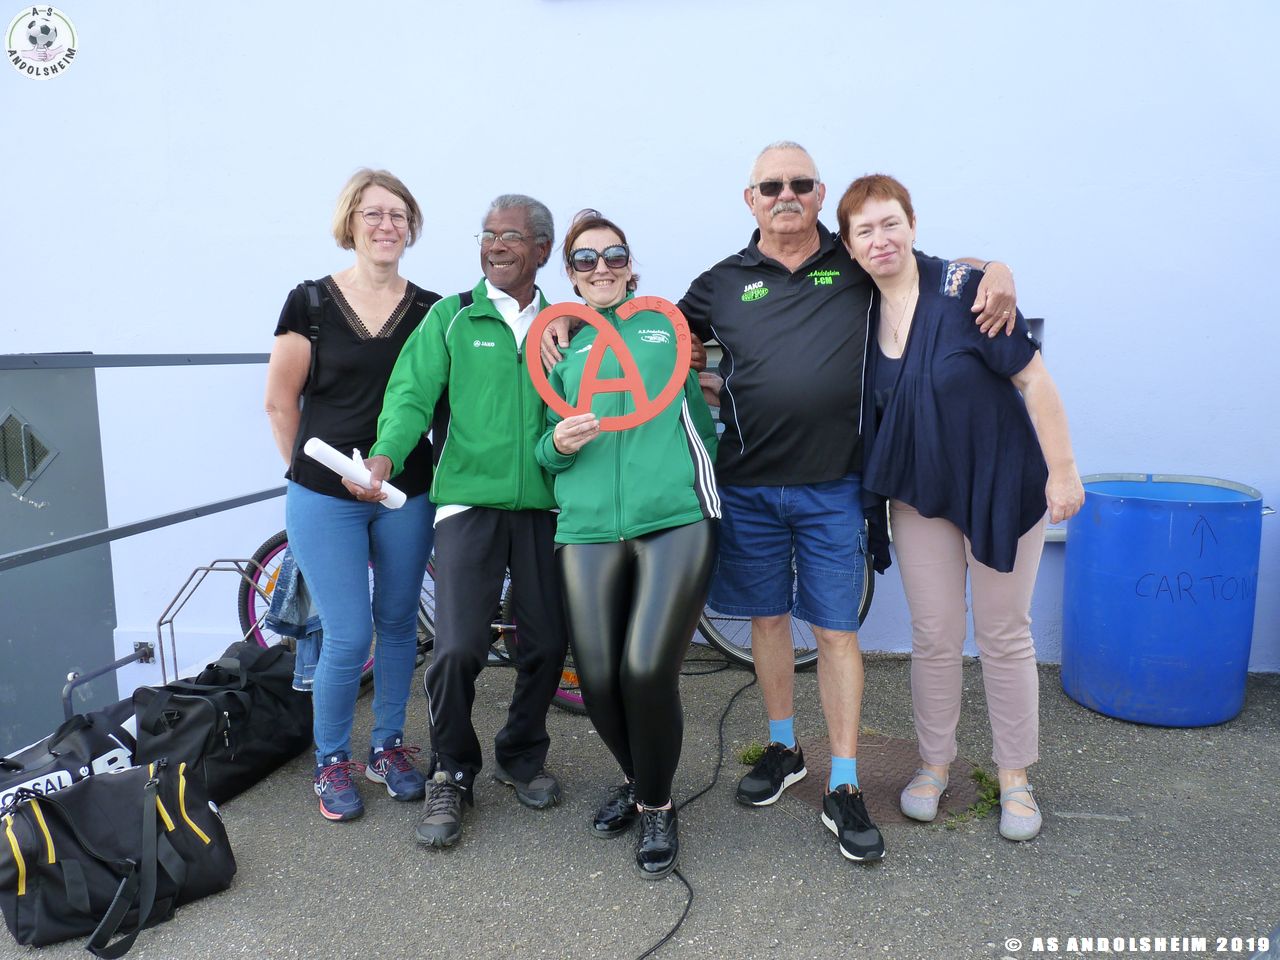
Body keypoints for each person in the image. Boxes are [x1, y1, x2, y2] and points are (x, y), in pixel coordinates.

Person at [544, 141, 1016, 863]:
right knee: (767, 620)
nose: (785, 195)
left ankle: (845, 782)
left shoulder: (854, 260)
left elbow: (935, 270)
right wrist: (572, 323)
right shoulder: (720, 282)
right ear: (751, 199)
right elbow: (645, 331)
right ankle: (783, 748)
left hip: (836, 485)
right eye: (770, 186)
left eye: (799, 183)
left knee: (834, 632)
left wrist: (997, 270)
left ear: (820, 194)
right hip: (749, 484)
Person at [837, 173, 1083, 841]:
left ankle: (1014, 778)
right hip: (921, 494)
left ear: (913, 224)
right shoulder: (856, 311)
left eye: (891, 223)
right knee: (935, 635)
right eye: (865, 230)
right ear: (850, 247)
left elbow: (1034, 378)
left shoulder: (964, 290)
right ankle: (934, 765)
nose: (881, 239)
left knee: (1004, 633)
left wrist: (1064, 472)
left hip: (1002, 482)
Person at [355, 195, 569, 849]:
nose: (495, 246)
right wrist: (386, 456)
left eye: (511, 236)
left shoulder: (565, 325)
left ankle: (521, 754)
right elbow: (410, 397)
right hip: (468, 505)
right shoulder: (451, 318)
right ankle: (451, 769)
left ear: (541, 249)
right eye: (487, 234)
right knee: (455, 649)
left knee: (546, 644)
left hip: (545, 506)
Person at [534, 212, 720, 880]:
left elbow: (700, 418)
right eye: (585, 260)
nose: (602, 267)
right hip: (586, 529)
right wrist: (556, 444)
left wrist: (697, 482)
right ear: (571, 274)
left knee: (645, 670)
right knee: (599, 680)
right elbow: (542, 447)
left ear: (631, 264)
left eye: (613, 255)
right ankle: (641, 781)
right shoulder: (559, 344)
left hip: (674, 519)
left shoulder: (665, 325)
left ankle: (659, 806)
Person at [263, 168, 439, 822]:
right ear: (351, 223)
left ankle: (387, 748)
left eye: (398, 214)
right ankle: (331, 760)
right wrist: (311, 478)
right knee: (347, 632)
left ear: (411, 227)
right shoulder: (309, 303)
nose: (386, 225)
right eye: (373, 213)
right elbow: (280, 402)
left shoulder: (433, 311)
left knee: (398, 623)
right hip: (325, 496)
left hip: (406, 492)